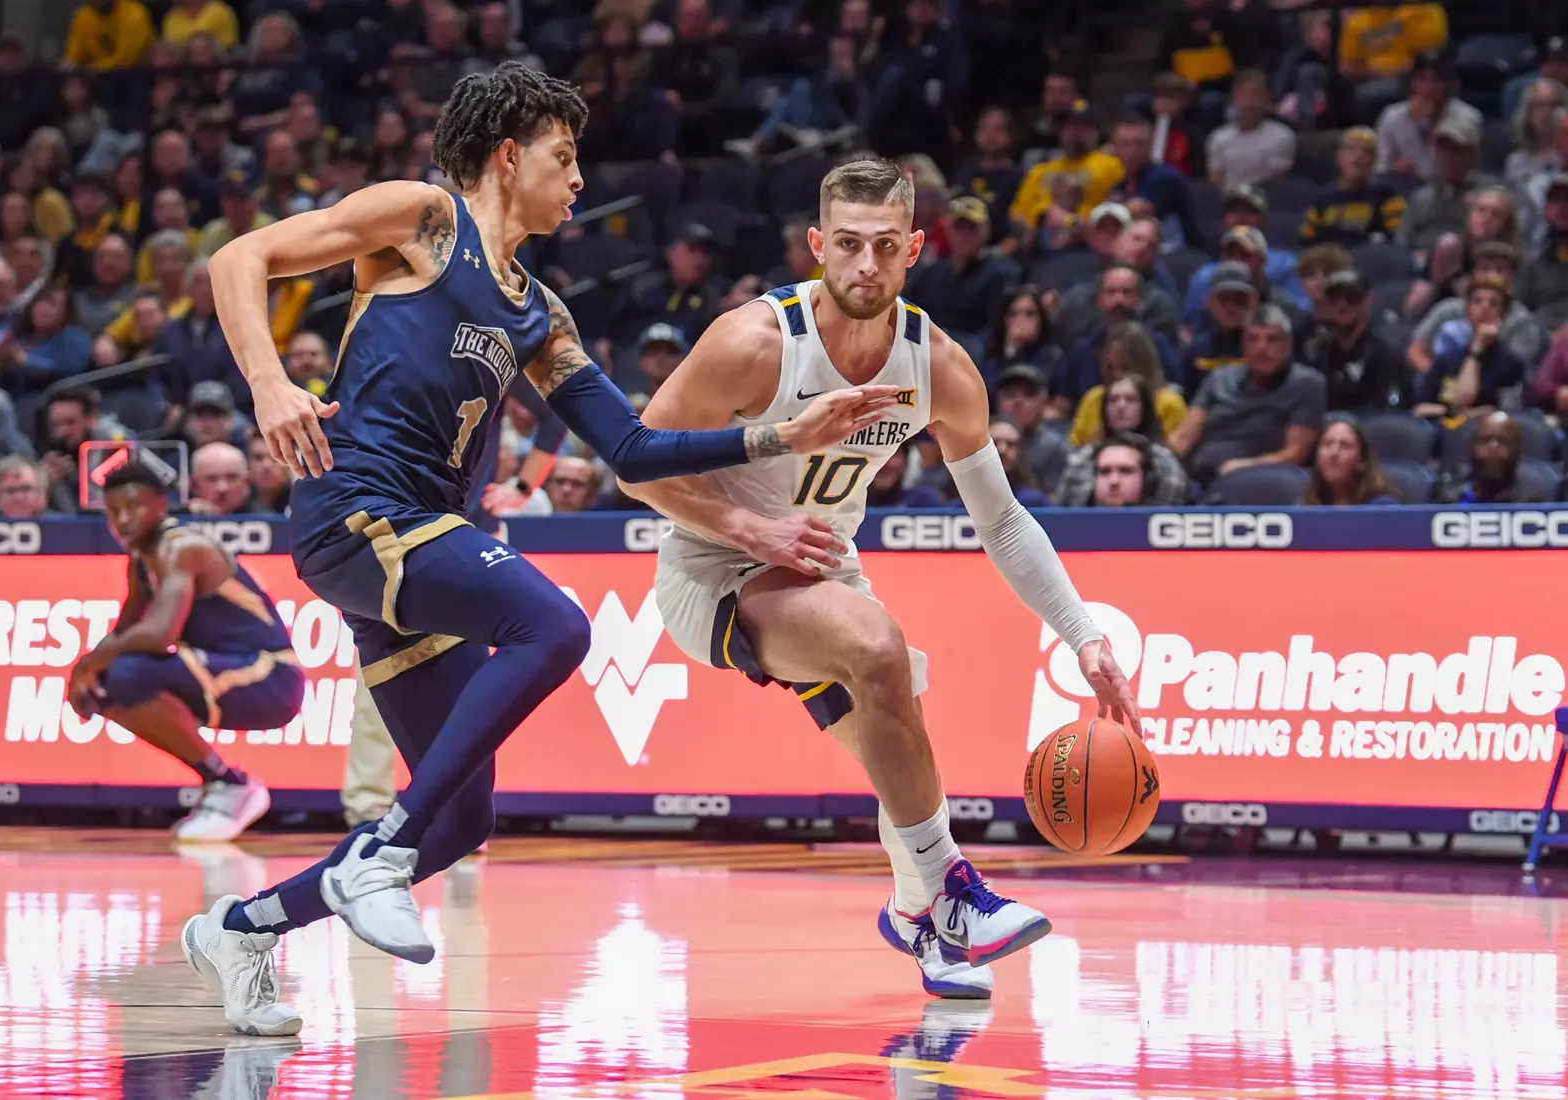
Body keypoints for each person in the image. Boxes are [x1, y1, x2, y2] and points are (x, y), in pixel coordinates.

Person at [181, 64, 897, 1037]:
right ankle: (378, 853)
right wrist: (267, 384)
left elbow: (635, 448)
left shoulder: (539, 312)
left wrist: (779, 435)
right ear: (511, 154)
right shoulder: (424, 218)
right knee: (554, 623)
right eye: (566, 158)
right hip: (357, 503)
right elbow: (239, 259)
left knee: (464, 818)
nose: (579, 181)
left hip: (417, 542)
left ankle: (241, 926)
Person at [618, 159, 1139, 1001]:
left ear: (914, 251)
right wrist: (753, 528)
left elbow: (1002, 521)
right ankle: (958, 892)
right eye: (849, 245)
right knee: (880, 646)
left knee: (897, 732)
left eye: (885, 247)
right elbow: (633, 467)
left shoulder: (936, 364)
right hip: (711, 564)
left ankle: (918, 918)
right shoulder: (753, 342)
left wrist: (1085, 635)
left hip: (821, 565)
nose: (866, 265)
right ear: (818, 245)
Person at [68, 462, 303, 846]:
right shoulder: (142, 559)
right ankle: (224, 781)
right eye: (113, 511)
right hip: (224, 670)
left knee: (130, 674)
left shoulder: (182, 547)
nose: (123, 519)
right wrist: (89, 677)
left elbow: (159, 636)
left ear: (161, 505)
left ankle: (232, 788)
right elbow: (126, 632)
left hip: (271, 676)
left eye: (134, 506)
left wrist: (84, 666)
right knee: (109, 687)